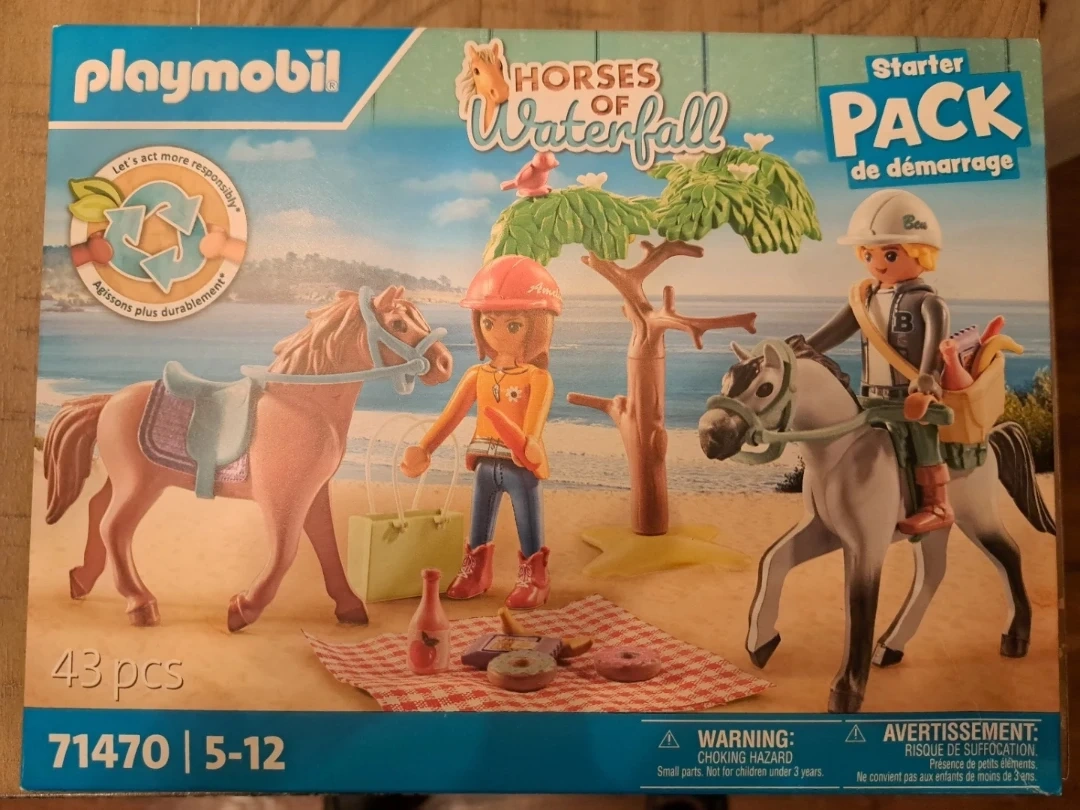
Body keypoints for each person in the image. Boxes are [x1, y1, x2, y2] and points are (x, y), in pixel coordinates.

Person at [400, 255, 561, 609]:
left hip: (520, 465)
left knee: (528, 524)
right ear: (478, 324)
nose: (498, 333)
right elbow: (451, 415)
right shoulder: (477, 375)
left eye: (514, 325)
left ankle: (534, 577)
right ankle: (476, 571)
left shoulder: (537, 378)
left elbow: (533, 426)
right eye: (488, 322)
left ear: (538, 327)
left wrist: (530, 444)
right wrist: (425, 447)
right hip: (485, 462)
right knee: (479, 522)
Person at [807, 189, 953, 535]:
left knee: (921, 434)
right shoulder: (864, 299)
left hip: (910, 396)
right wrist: (802, 348)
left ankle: (937, 504)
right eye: (869, 254)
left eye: (889, 254)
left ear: (921, 253)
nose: (878, 263)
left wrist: (927, 378)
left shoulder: (927, 302)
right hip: (871, 395)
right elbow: (834, 331)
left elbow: (935, 346)